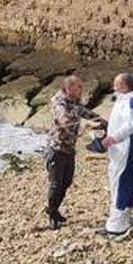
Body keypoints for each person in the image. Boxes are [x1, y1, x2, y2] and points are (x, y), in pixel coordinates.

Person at [43, 76, 105, 230]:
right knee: (56, 184)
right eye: (79, 87)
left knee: (67, 182)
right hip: (56, 149)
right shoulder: (59, 103)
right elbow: (64, 120)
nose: (81, 90)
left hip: (69, 149)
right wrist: (87, 127)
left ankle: (54, 208)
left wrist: (100, 120)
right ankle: (52, 215)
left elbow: (83, 111)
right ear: (69, 88)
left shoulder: (75, 101)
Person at [101, 74, 133, 237]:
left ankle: (117, 224)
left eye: (116, 84)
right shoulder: (125, 101)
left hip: (126, 149)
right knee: (120, 179)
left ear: (125, 87)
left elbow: (131, 124)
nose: (114, 88)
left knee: (121, 180)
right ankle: (121, 216)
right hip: (121, 149)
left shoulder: (130, 102)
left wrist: (113, 138)